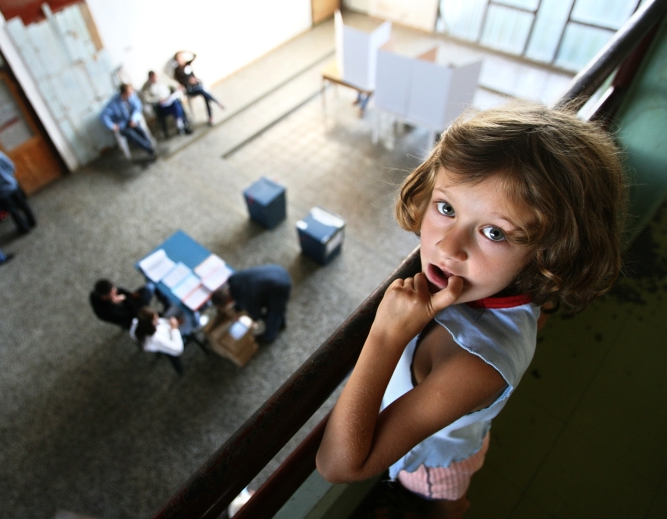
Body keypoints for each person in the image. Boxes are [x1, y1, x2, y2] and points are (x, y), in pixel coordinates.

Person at [315, 100, 626, 518]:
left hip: (438, 463)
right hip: (467, 431)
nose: (447, 247)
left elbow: (337, 465)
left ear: (549, 253)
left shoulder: (476, 366)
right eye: (446, 208)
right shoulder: (529, 288)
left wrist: (386, 334)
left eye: (494, 232)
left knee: (447, 501)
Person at [211, 264, 292, 343]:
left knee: (273, 312)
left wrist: (253, 320)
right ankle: (281, 323)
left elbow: (257, 313)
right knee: (276, 307)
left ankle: (269, 336)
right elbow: (238, 296)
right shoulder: (233, 280)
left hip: (280, 286)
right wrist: (237, 310)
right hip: (277, 270)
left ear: (228, 301)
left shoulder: (245, 298)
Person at [100, 83, 156, 160]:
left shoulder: (132, 97)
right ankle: (149, 148)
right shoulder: (113, 103)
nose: (132, 93)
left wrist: (133, 119)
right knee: (132, 135)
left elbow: (138, 107)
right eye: (130, 92)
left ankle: (149, 146)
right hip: (122, 125)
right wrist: (112, 125)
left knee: (140, 130)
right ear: (124, 93)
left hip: (132, 121)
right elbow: (103, 115)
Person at [173, 51, 225, 126]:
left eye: (182, 57)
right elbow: (180, 81)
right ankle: (217, 102)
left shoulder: (188, 64)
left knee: (205, 94)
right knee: (203, 91)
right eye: (179, 58)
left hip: (197, 85)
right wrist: (189, 81)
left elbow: (195, 55)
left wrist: (185, 51)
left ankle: (211, 117)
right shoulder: (177, 71)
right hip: (190, 89)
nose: (181, 59)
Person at [130, 306, 185, 375]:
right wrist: (174, 329)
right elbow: (177, 350)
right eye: (155, 319)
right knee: (173, 357)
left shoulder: (137, 322)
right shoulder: (156, 338)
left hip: (147, 343)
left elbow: (160, 321)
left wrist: (168, 322)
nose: (158, 318)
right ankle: (180, 371)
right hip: (159, 344)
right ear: (150, 324)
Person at [90, 279, 159, 330]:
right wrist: (125, 299)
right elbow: (136, 312)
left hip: (128, 306)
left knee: (148, 288)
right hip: (129, 317)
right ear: (104, 297)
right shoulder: (109, 312)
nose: (116, 291)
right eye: (113, 293)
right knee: (149, 289)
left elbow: (119, 291)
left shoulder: (94, 294)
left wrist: (129, 295)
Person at [141, 71, 192, 137]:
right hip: (161, 105)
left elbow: (172, 83)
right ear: (150, 78)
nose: (155, 79)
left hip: (170, 100)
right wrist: (158, 100)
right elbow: (146, 99)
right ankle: (182, 125)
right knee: (177, 106)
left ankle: (181, 126)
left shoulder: (162, 80)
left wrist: (178, 86)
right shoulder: (146, 87)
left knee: (176, 103)